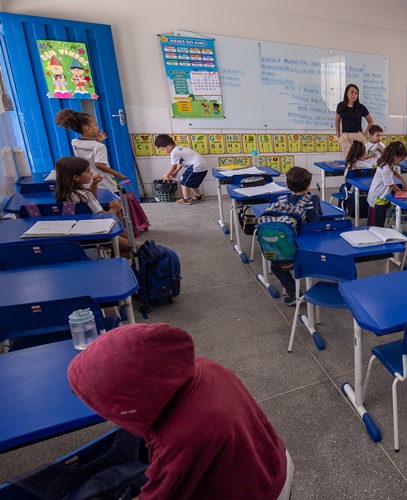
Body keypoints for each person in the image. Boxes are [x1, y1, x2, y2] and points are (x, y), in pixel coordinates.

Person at [67, 323, 292, 500]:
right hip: (272, 460)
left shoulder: (178, 437)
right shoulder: (204, 367)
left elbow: (160, 495)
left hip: (261, 494)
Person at [262, 167, 322, 306]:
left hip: (287, 248)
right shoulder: (314, 199)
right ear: (309, 185)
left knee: (275, 267)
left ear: (287, 184)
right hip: (309, 247)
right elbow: (317, 219)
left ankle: (294, 293)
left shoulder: (280, 199)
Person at [54, 156, 129, 256]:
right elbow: (103, 216)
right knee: (136, 248)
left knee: (126, 238)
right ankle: (113, 263)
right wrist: (113, 209)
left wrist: (94, 183)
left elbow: (90, 199)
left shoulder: (65, 193)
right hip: (99, 233)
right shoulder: (86, 195)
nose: (91, 174)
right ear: (76, 178)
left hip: (79, 232)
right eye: (88, 171)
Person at [54, 109, 126, 192]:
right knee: (114, 202)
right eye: (95, 125)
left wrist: (97, 141)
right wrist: (117, 174)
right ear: (88, 128)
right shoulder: (100, 147)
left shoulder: (75, 142)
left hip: (88, 182)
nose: (97, 127)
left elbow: (88, 152)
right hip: (104, 183)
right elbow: (98, 164)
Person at [156, 134, 210, 205]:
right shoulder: (179, 148)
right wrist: (175, 172)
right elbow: (180, 163)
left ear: (168, 146)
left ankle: (186, 199)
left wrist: (167, 175)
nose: (164, 151)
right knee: (190, 182)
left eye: (163, 149)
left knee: (184, 180)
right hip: (201, 166)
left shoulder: (174, 152)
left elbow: (173, 166)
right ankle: (199, 196)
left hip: (196, 166)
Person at [368, 141, 407, 227]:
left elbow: (393, 171)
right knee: (375, 226)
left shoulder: (387, 163)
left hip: (382, 198)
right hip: (377, 199)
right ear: (394, 156)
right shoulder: (386, 168)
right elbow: (391, 184)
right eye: (400, 160)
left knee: (380, 221)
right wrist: (402, 193)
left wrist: (402, 179)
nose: (399, 162)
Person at [335, 84, 374, 155]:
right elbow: (337, 121)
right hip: (345, 136)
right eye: (352, 92)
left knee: (360, 159)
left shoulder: (361, 107)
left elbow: (371, 122)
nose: (354, 95)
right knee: (348, 160)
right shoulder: (341, 106)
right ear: (347, 93)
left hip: (358, 136)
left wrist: (364, 134)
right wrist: (339, 136)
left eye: (356, 93)